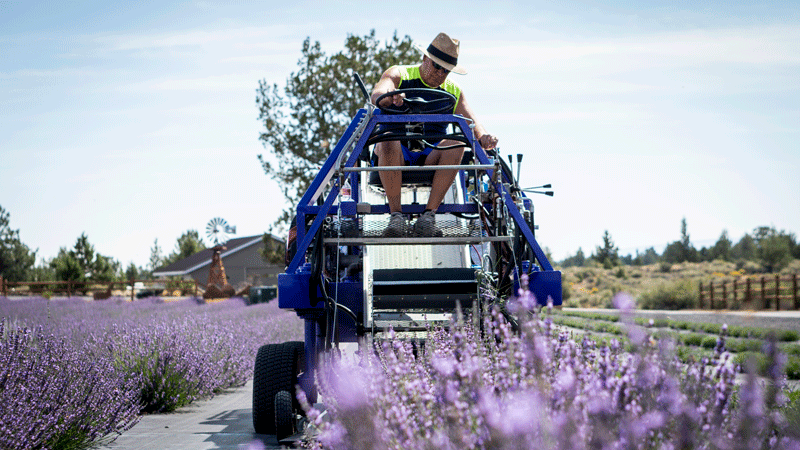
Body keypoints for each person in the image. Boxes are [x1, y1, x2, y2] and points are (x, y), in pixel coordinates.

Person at [370, 32, 498, 237]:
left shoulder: (453, 91)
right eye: (436, 66)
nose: (440, 73)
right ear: (424, 59)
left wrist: (484, 137)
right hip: (397, 151)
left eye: (446, 70)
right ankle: (396, 217)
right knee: (387, 139)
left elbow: (472, 121)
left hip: (432, 153)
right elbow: (377, 94)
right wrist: (390, 96)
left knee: (458, 144)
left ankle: (429, 217)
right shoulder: (399, 74)